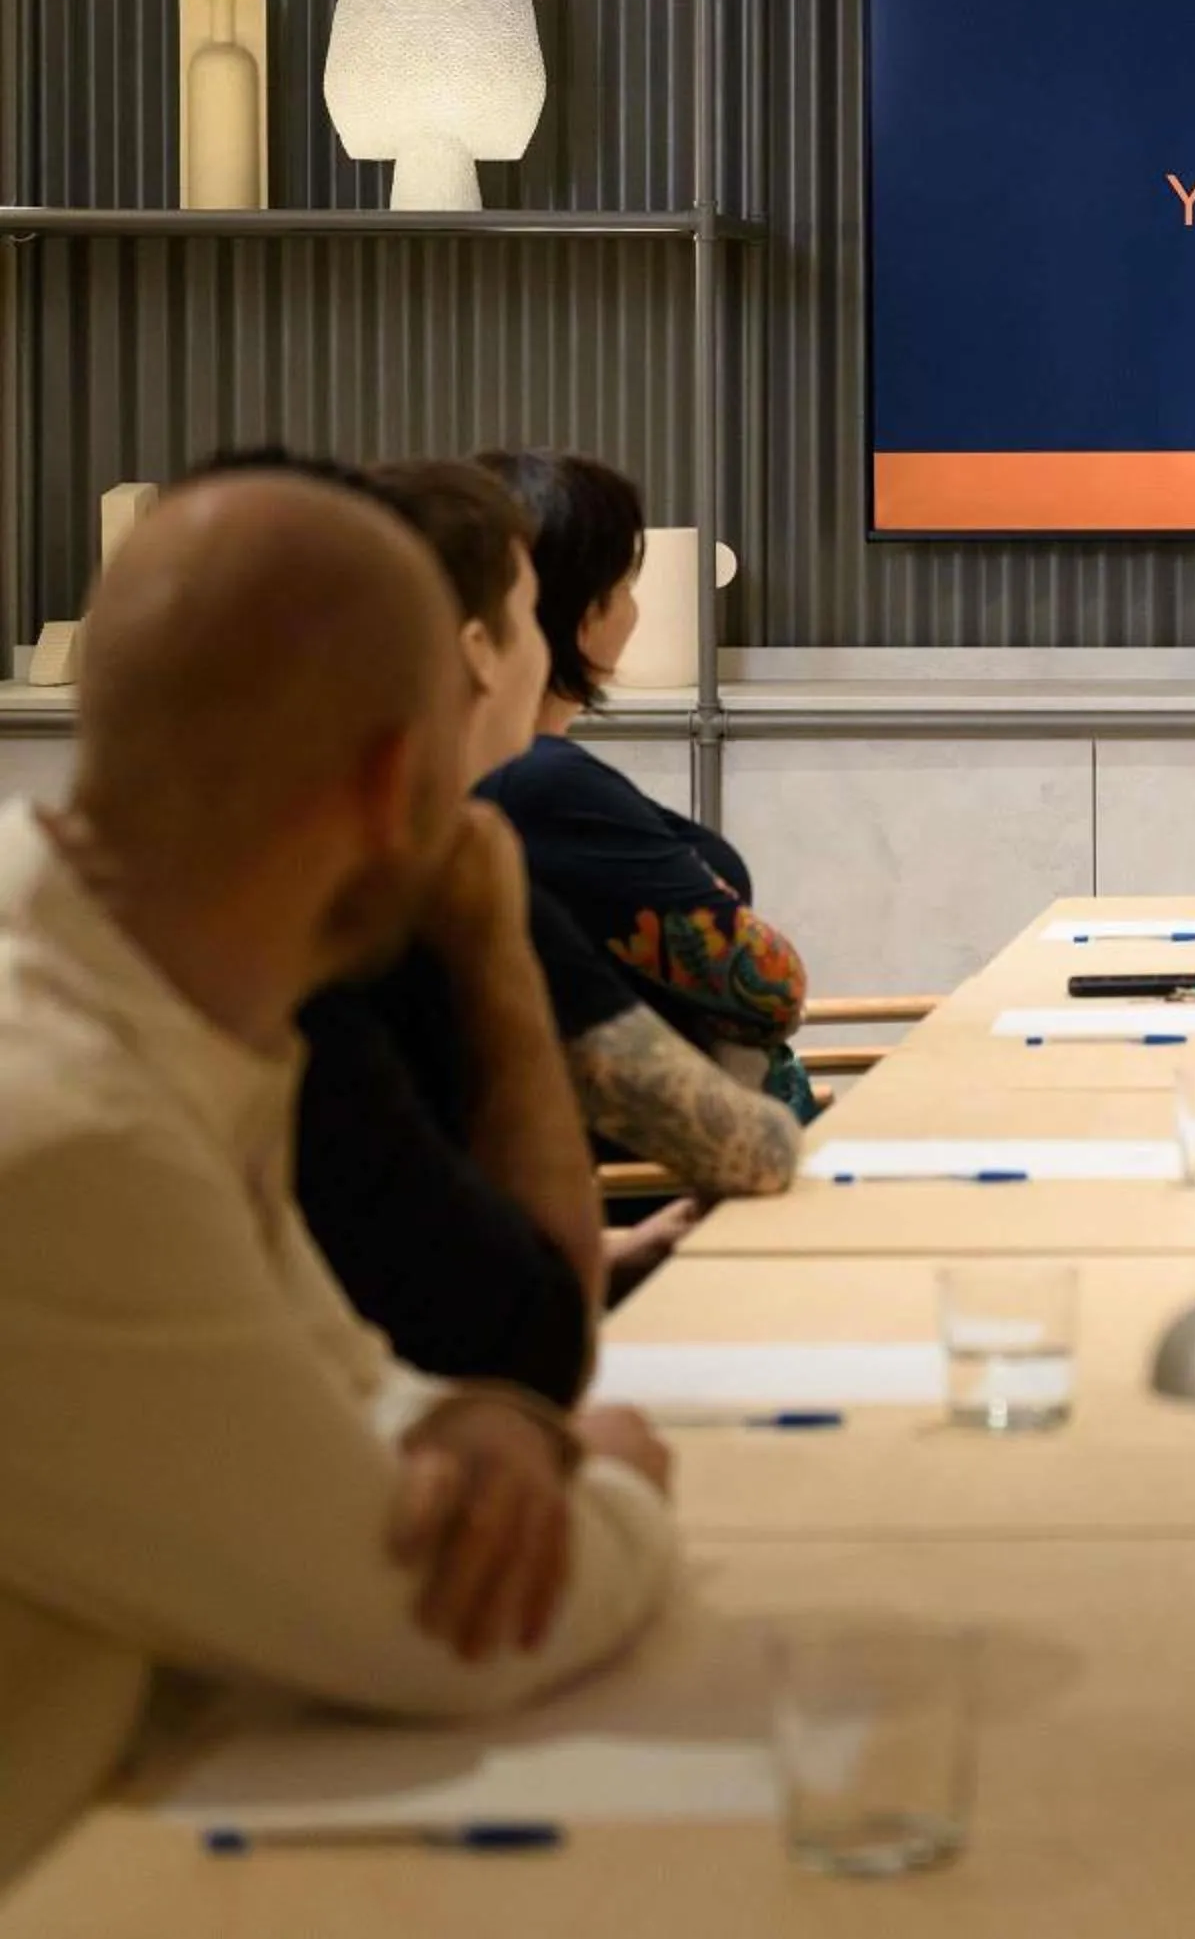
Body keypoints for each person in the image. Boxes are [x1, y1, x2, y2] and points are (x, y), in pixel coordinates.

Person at [0, 473, 678, 1885]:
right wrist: (611, 1471)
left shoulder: (142, 996)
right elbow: (434, 1623)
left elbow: (339, 1374)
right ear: (397, 789)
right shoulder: (74, 1142)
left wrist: (489, 1425)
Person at [354, 462, 801, 1212]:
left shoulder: (341, 860)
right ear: (479, 650)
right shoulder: (486, 836)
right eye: (530, 613)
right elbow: (743, 1141)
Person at [473, 451, 817, 1120]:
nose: (635, 610)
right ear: (577, 609)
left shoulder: (532, 776)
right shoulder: (542, 783)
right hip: (681, 1175)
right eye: (626, 586)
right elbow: (770, 987)